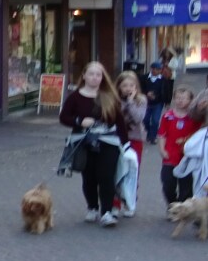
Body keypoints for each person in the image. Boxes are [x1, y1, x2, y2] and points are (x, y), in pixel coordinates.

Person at [58, 61, 123, 227]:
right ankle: (92, 207)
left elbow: (120, 122)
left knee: (106, 176)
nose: (95, 78)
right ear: (84, 76)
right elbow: (64, 117)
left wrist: (126, 144)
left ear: (102, 78)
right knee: (89, 177)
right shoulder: (75, 97)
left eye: (98, 75)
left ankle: (107, 212)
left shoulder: (109, 96)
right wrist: (79, 121)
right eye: (91, 74)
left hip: (108, 142)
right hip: (84, 142)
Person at [157, 86, 197, 214]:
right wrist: (162, 149)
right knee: (167, 184)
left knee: (186, 186)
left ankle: (180, 209)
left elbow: (198, 136)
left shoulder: (194, 118)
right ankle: (172, 204)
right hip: (170, 156)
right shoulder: (167, 116)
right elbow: (162, 134)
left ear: (191, 101)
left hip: (187, 157)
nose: (180, 101)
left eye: (184, 98)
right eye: (178, 98)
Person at [114, 69, 147, 218]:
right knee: (116, 171)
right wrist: (124, 104)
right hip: (117, 139)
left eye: (131, 85)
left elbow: (138, 118)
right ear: (119, 86)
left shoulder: (141, 100)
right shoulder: (114, 100)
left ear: (136, 87)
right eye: (124, 85)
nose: (128, 88)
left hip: (135, 139)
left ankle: (130, 201)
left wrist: (130, 102)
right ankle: (115, 203)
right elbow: (115, 116)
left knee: (132, 171)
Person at [172, 89, 208, 202]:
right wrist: (199, 108)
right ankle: (200, 209)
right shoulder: (205, 94)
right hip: (206, 141)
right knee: (202, 176)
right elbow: (193, 115)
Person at [140, 60, 172, 143]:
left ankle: (152, 137)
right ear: (151, 69)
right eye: (154, 69)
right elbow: (139, 89)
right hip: (146, 103)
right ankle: (150, 133)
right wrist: (146, 94)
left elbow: (167, 91)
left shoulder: (163, 80)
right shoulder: (144, 78)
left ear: (160, 70)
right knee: (145, 120)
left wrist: (168, 103)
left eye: (158, 69)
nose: (155, 71)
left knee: (155, 120)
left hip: (158, 103)